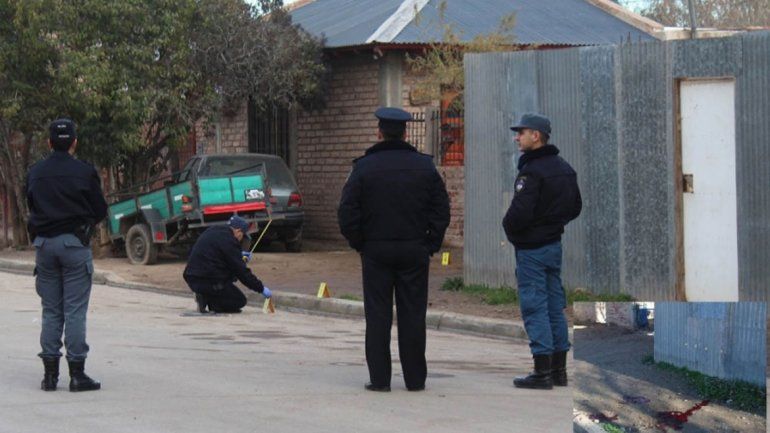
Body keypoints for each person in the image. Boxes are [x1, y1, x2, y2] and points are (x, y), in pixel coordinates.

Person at [338, 107, 450, 392]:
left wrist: (359, 243)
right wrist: (431, 243)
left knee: (378, 315)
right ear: (404, 132)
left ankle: (380, 379)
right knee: (413, 315)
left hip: (376, 250)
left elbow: (347, 211)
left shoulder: (363, 168)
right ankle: (415, 380)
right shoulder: (425, 167)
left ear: (379, 132)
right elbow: (441, 210)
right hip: (414, 249)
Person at [26, 118, 108, 392]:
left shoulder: (35, 172)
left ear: (49, 143)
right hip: (74, 245)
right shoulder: (84, 172)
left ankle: (50, 376)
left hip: (44, 247)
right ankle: (77, 374)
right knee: (74, 311)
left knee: (51, 311)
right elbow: (100, 210)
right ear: (74, 142)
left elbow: (31, 205)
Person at [502, 113, 582, 390]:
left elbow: (519, 213)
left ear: (536, 136)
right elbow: (575, 207)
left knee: (535, 306)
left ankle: (542, 371)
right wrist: (552, 224)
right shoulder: (563, 167)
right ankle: (559, 370)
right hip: (552, 245)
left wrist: (513, 230)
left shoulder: (532, 171)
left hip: (532, 249)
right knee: (553, 307)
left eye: (521, 132)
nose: (517, 137)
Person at [183, 215, 271, 313]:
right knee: (239, 301)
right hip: (206, 280)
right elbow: (242, 272)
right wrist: (261, 288)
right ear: (238, 231)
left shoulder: (214, 230)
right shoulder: (229, 241)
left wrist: (238, 255)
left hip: (192, 277)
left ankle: (207, 296)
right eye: (242, 235)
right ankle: (208, 299)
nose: (241, 239)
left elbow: (218, 254)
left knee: (229, 276)